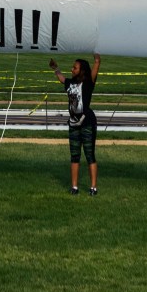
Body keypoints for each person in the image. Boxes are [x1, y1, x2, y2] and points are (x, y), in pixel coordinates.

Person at [49, 54, 101, 195]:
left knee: (89, 155)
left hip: (87, 123)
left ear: (82, 70)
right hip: (73, 124)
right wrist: (55, 68)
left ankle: (93, 187)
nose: (72, 69)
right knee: (74, 156)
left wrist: (97, 59)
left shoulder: (88, 83)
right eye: (72, 67)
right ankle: (74, 187)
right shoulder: (70, 83)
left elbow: (96, 67)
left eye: (75, 67)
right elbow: (61, 78)